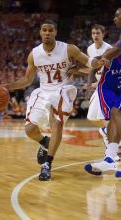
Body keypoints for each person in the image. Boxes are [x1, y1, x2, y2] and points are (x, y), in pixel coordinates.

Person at [5, 20, 102, 181]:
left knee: (56, 123)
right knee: (29, 130)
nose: (47, 33)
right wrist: (6, 86)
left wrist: (98, 61)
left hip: (61, 89)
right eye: (44, 30)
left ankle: (47, 165)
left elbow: (88, 62)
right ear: (40, 33)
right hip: (43, 91)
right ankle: (44, 142)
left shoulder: (68, 48)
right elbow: (27, 80)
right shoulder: (34, 54)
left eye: (50, 30)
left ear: (55, 32)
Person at [84, 8, 121, 177]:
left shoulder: (111, 47)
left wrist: (100, 60)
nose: (114, 19)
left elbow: (113, 53)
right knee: (115, 112)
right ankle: (110, 159)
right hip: (112, 85)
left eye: (117, 15)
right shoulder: (95, 47)